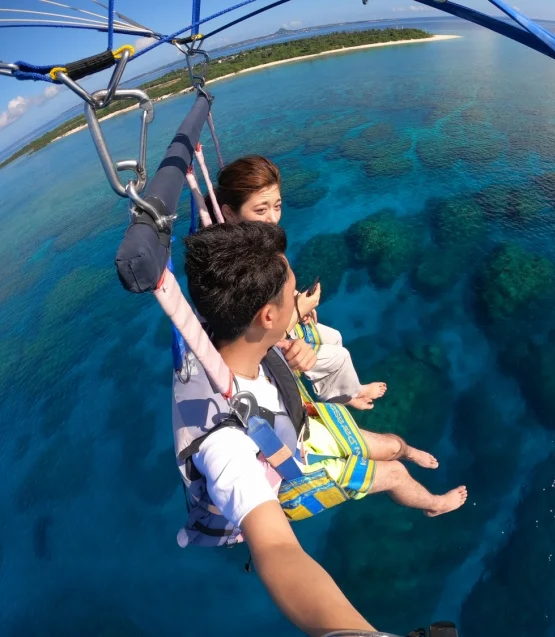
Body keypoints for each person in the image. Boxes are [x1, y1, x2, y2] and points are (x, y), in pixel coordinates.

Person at [172, 222, 467, 632]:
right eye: (291, 296)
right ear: (268, 315)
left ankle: (406, 450)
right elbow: (276, 550)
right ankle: (433, 504)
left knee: (394, 447)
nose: (298, 302)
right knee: (395, 473)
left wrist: (301, 313)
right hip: (286, 474)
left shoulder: (226, 331)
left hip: (293, 431)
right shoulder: (225, 447)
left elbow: (272, 316)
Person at [214, 154, 385, 410]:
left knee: (335, 337)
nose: (273, 218)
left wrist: (295, 301)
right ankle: (350, 396)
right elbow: (256, 337)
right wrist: (298, 309)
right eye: (261, 210)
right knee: (340, 357)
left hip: (282, 320)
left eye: (278, 206)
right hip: (263, 347)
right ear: (230, 213)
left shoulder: (255, 243)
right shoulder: (239, 265)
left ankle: (342, 390)